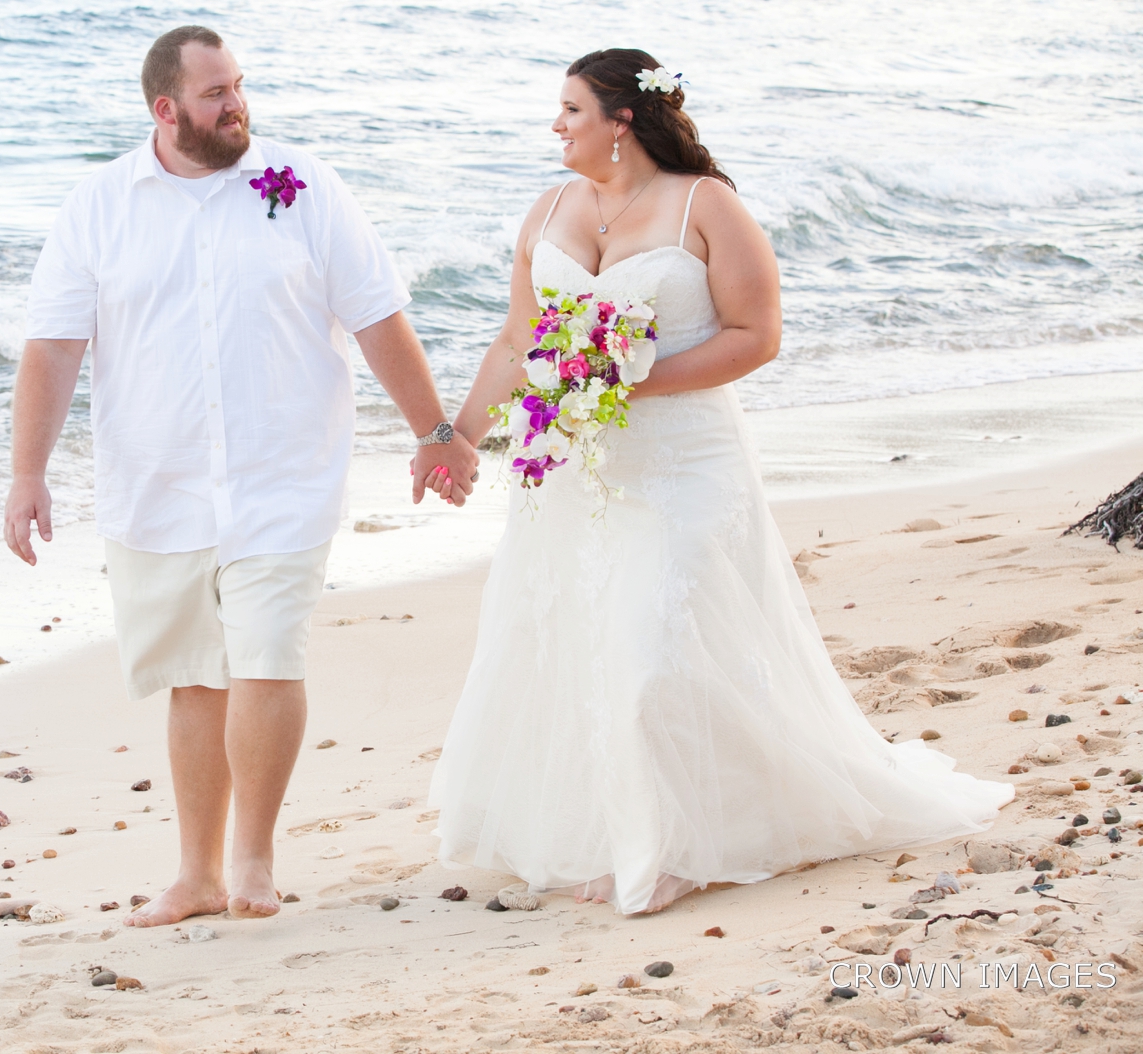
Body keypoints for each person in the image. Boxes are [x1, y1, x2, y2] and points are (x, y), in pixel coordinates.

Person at [426, 48, 1012, 915]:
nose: (555, 125)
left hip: (684, 463)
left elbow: (755, 334)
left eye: (571, 110)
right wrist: (456, 437)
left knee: (656, 647)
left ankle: (671, 848)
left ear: (622, 121)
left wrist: (626, 379)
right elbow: (519, 343)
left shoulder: (707, 205)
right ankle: (614, 831)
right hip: (575, 473)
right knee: (583, 645)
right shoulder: (546, 209)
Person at [5, 25, 480, 926]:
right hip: (159, 478)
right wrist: (26, 474)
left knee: (266, 654)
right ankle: (195, 874)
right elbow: (54, 348)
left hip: (282, 469)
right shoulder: (99, 204)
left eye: (239, 86)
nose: (237, 106)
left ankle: (252, 861)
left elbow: (377, 315)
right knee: (195, 675)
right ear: (165, 108)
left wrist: (435, 431)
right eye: (216, 93)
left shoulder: (301, 186)